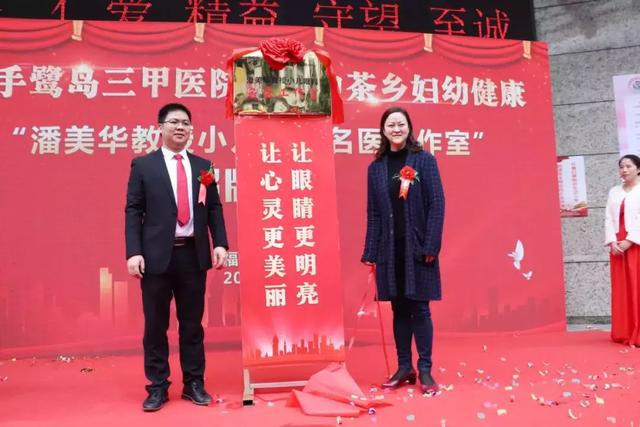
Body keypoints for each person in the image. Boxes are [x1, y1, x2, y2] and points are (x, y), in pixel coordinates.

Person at [125, 103, 229, 411]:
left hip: (192, 256)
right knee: (155, 325)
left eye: (185, 123)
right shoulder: (144, 166)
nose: (180, 127)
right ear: (160, 127)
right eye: (174, 122)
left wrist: (220, 243)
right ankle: (157, 386)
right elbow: (133, 211)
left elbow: (214, 208)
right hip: (156, 257)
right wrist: (134, 252)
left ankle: (194, 383)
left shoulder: (203, 166)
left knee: (192, 324)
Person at [361, 106, 445, 394]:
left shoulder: (424, 160)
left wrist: (431, 244)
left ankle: (425, 369)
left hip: (418, 246)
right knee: (398, 309)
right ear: (383, 130)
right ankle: (404, 366)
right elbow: (373, 213)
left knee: (420, 308)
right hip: (390, 249)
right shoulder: (376, 168)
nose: (396, 129)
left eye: (401, 124)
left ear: (409, 127)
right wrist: (371, 251)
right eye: (391, 125)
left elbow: (437, 204)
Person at [605, 154, 640, 346]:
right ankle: (624, 331)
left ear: (638, 169)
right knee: (621, 287)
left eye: (628, 166)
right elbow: (608, 218)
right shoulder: (614, 191)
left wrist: (630, 240)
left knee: (637, 285)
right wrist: (612, 241)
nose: (624, 170)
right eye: (621, 166)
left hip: (636, 244)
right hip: (618, 245)